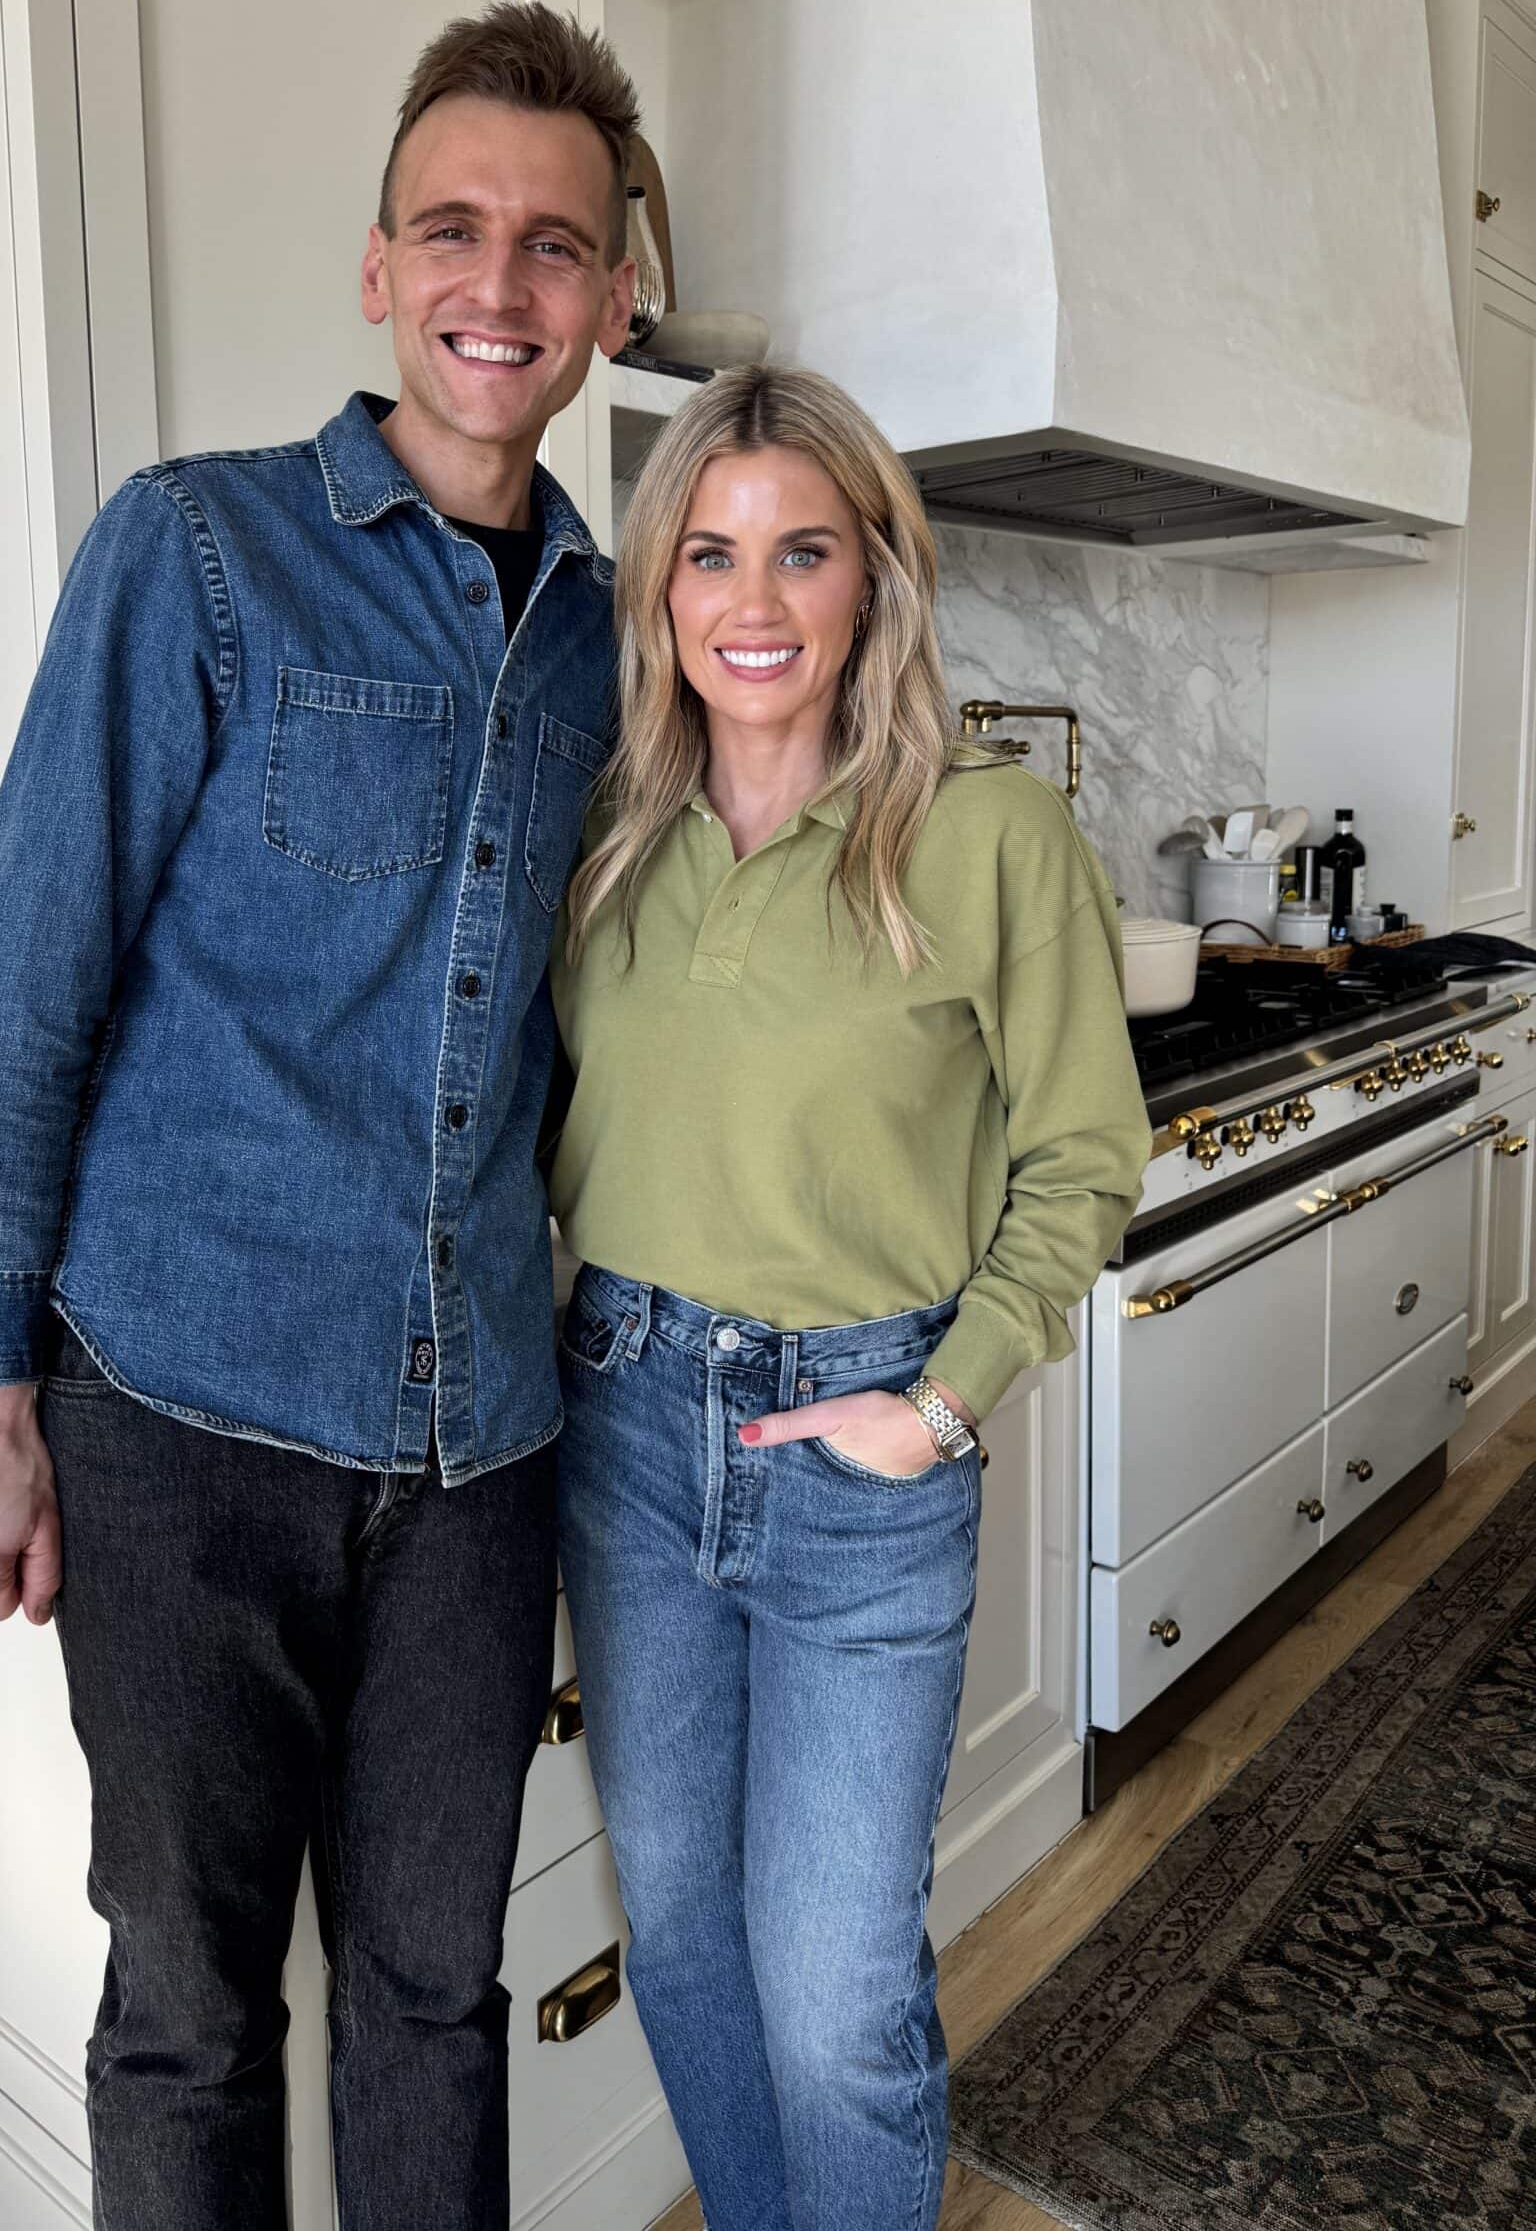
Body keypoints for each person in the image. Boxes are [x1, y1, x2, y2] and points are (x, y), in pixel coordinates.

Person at [0, 2, 639, 2230]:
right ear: (375, 265)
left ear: (613, 298)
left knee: (431, 1987)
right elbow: (31, 970)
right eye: (452, 227)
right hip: (181, 1411)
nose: (496, 284)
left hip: (483, 1452)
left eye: (553, 244)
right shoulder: (200, 551)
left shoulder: (632, 637)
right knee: (191, 2005)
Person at [547, 364, 1151, 2231]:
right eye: (709, 554)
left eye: (803, 552)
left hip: (859, 1461)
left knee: (835, 2001)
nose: (752, 601)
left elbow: (1084, 1158)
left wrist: (945, 1397)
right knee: (689, 1943)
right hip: (629, 1427)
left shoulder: (984, 838)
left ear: (875, 579)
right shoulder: (606, 840)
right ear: (658, 590)